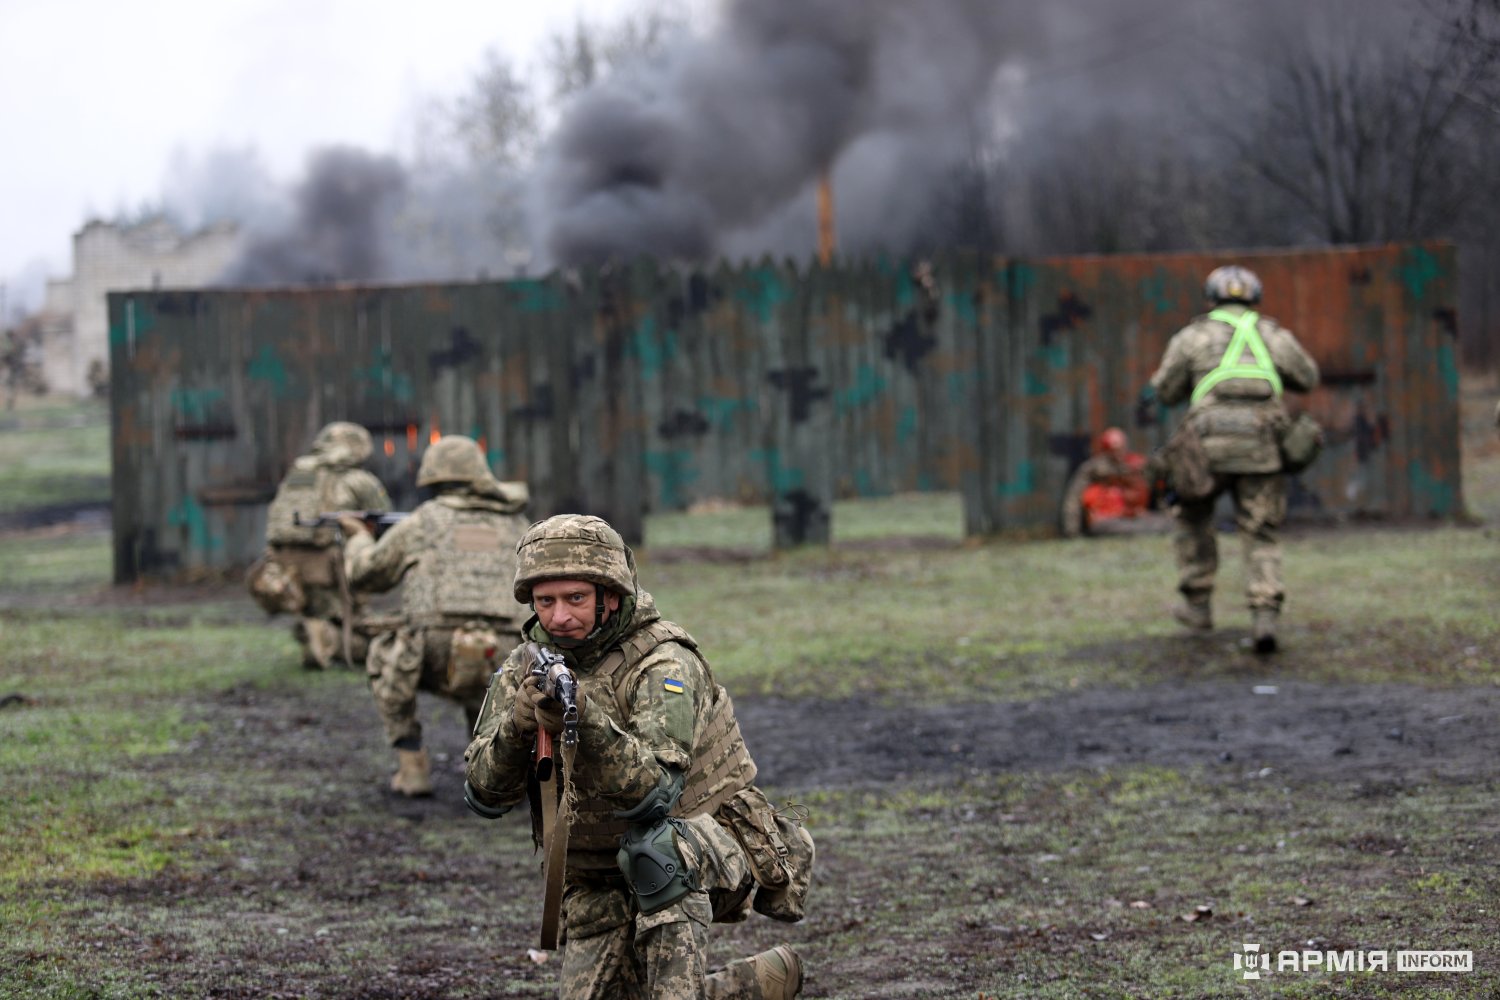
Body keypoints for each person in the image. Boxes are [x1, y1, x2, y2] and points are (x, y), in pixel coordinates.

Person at [463, 514, 812, 999]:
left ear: (611, 595)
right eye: (546, 601)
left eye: (575, 599)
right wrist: (519, 727)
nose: (559, 617)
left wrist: (585, 719)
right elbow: (483, 795)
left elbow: (655, 794)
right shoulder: (527, 665)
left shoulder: (663, 662)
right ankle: (753, 986)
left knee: (657, 851)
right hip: (596, 874)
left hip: (694, 850)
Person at [1143, 265, 1320, 653]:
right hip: (1261, 444)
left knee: (1193, 519)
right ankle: (1264, 617)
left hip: (1204, 450)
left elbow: (1166, 390)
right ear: (1254, 298)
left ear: (1211, 298)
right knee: (1261, 531)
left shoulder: (1193, 335)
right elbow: (1307, 377)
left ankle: (1198, 605)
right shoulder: (1272, 334)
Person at [342, 435, 530, 797]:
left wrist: (356, 539)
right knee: (495, 685)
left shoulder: (423, 521)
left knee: (385, 650)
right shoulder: (517, 524)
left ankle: (412, 765)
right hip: (506, 652)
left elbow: (367, 574)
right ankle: (495, 771)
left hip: (431, 648)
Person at [249, 421, 391, 669]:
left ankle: (315, 633)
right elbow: (385, 519)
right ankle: (325, 637)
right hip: (331, 568)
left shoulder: (297, 475)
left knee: (321, 612)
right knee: (371, 642)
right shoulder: (357, 479)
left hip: (285, 570)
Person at [1060, 426, 1151, 537]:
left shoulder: (1134, 465)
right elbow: (1073, 499)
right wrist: (1072, 531)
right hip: (1105, 519)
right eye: (1114, 450)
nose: (1118, 454)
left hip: (1131, 518)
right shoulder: (1093, 470)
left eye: (1121, 448)